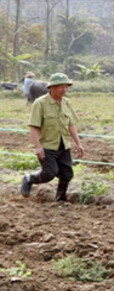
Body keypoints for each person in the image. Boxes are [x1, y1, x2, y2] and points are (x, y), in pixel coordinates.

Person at [21, 73, 85, 201]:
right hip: (47, 146)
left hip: (63, 145)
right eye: (60, 87)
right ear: (51, 88)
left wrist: (78, 143)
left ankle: (60, 198)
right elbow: (34, 127)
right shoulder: (40, 103)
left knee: (67, 174)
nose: (64, 90)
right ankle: (30, 178)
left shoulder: (66, 103)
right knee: (50, 173)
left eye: (66, 87)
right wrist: (38, 147)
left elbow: (71, 124)